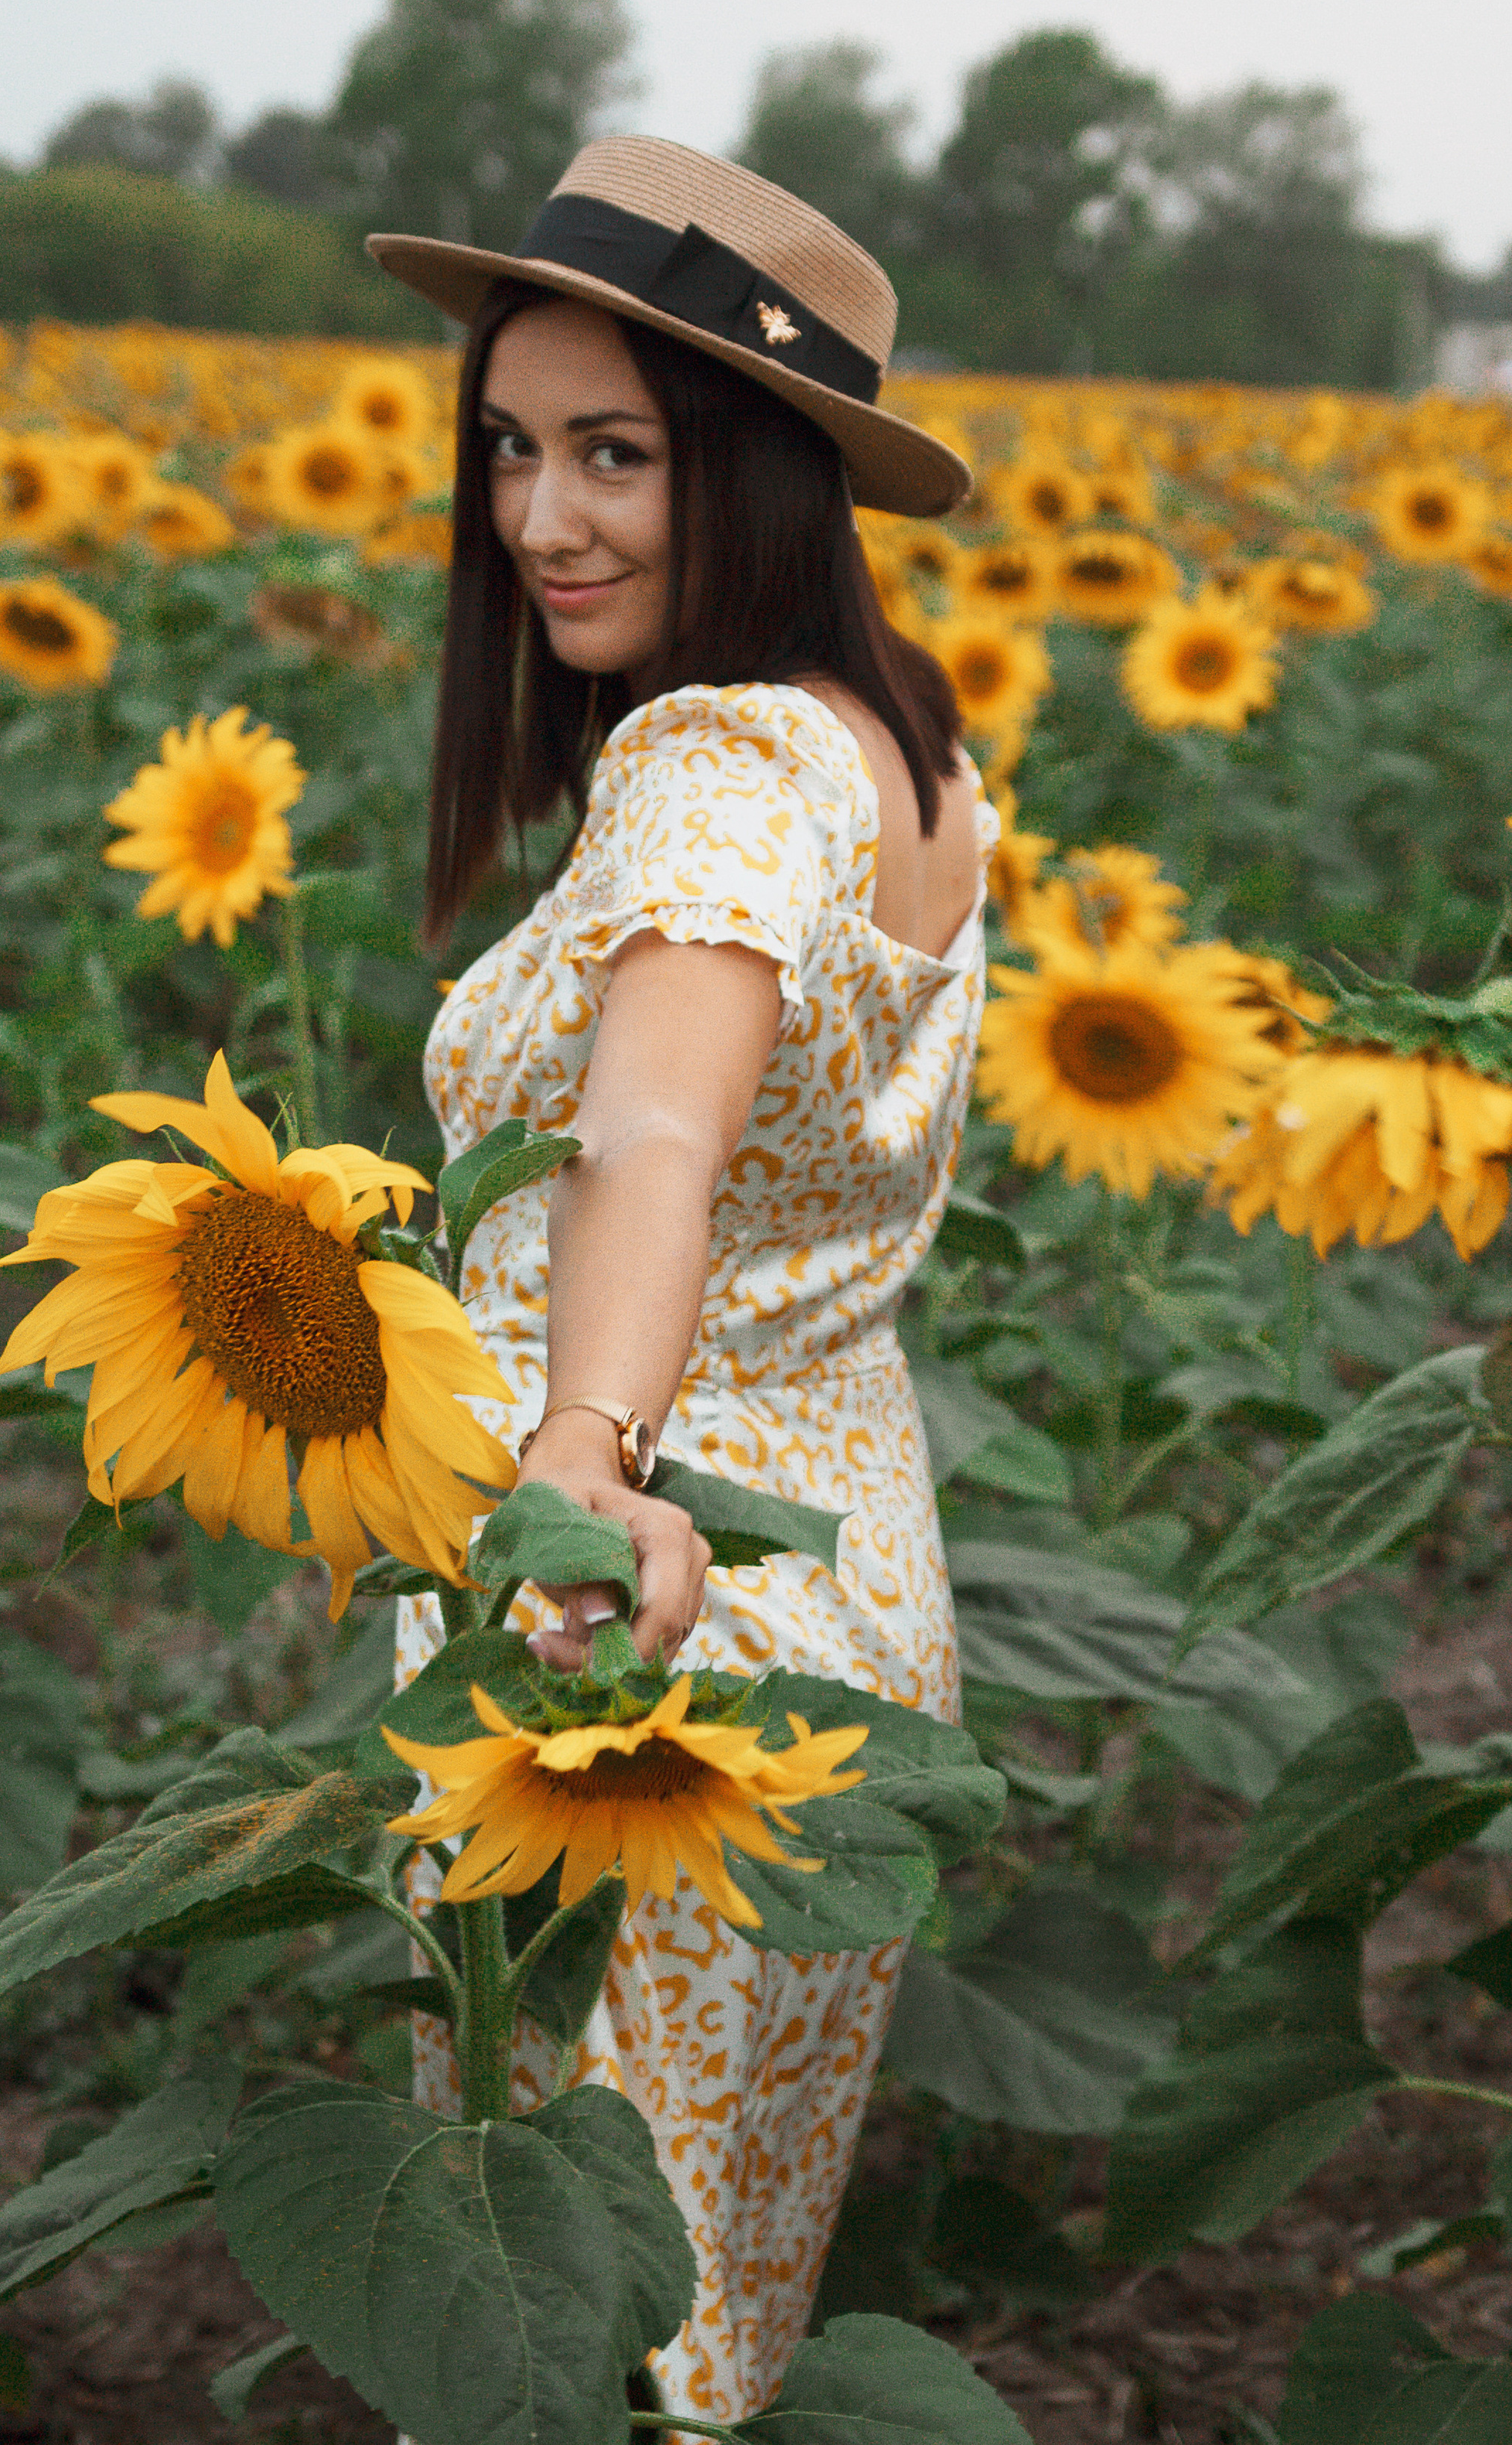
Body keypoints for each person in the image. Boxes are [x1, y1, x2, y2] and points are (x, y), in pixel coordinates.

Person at [368, 137, 994, 2429]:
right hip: (847, 1607)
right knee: (702, 2318)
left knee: (568, 2331)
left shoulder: (722, 768)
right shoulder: (899, 746)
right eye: (512, 450)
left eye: (616, 453)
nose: (542, 519)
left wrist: (574, 1458)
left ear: (754, 463)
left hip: (640, 1636)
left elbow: (655, 1135)